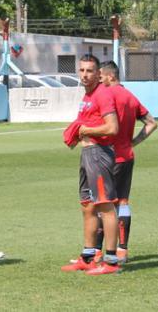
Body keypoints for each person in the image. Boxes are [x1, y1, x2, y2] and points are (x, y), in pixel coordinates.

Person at [61, 54, 121, 275]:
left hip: (99, 154)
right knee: (87, 205)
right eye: (82, 70)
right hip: (88, 154)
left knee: (105, 205)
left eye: (89, 71)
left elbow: (112, 128)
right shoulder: (87, 96)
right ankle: (88, 257)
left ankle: (111, 261)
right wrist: (77, 134)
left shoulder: (102, 95)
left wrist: (85, 130)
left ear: (98, 74)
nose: (85, 75)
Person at [99, 61, 158, 262]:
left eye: (101, 77)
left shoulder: (107, 96)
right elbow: (152, 123)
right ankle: (123, 249)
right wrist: (134, 142)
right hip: (126, 156)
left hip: (107, 156)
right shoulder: (130, 97)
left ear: (110, 77)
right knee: (122, 202)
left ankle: (98, 251)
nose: (99, 80)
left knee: (103, 203)